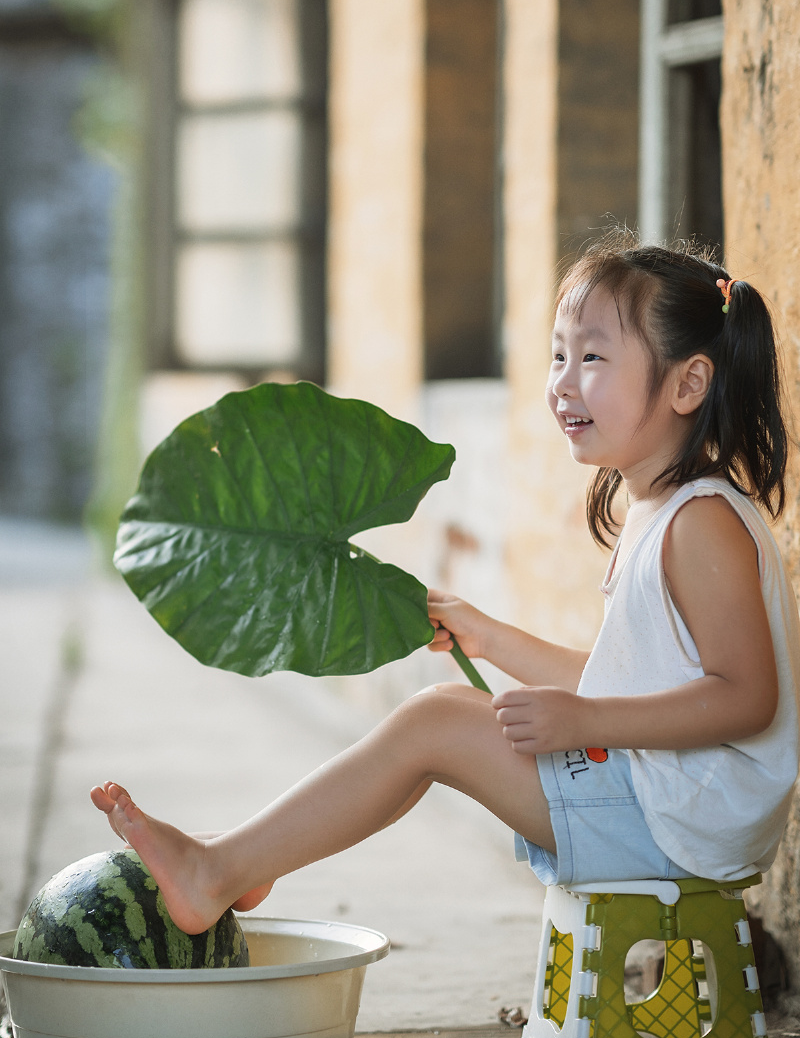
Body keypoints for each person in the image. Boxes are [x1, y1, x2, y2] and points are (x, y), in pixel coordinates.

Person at [92, 236, 800, 936]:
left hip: (682, 828)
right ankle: (239, 861)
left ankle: (219, 870)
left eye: (592, 358)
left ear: (689, 383)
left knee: (437, 721)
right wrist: (490, 637)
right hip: (661, 806)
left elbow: (745, 698)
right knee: (440, 718)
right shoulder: (661, 510)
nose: (561, 382)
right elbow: (629, 683)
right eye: (558, 355)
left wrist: (587, 724)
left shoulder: (700, 524)